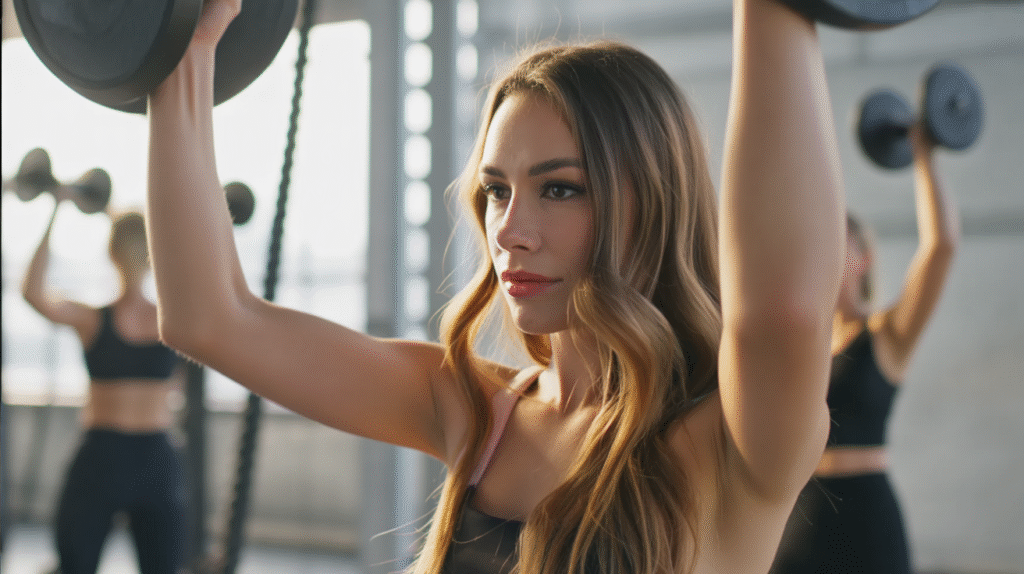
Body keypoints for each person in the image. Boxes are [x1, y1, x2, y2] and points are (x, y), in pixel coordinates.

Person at [146, 0, 846, 572]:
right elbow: (208, 318)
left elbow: (782, 315)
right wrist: (183, 49)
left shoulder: (722, 440)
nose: (511, 229)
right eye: (496, 190)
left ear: (652, 200)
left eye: (561, 189)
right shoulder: (475, 412)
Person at [770, 123, 960, 572]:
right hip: (799, 517)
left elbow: (941, 247)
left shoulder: (887, 334)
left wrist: (924, 158)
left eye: (839, 242)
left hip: (866, 520)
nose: (826, 252)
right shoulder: (797, 345)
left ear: (864, 259)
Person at [21, 196, 186, 574]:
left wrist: (57, 209)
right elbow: (32, 295)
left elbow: (33, 292)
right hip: (126, 457)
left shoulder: (159, 322)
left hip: (128, 457)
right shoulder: (170, 322)